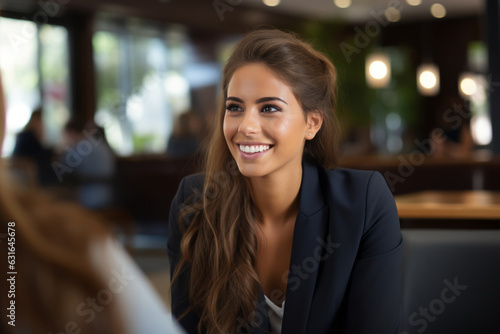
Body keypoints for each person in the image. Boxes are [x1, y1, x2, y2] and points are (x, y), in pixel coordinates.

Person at [167, 28, 403, 334]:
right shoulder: (195, 202)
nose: (247, 126)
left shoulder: (365, 203)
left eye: (269, 109)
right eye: (234, 107)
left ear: (312, 122)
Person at [0, 73, 185, 334]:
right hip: (106, 196)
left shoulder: (80, 150)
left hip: (90, 198)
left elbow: (57, 171)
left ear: (71, 132)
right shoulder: (98, 147)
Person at [12, 107, 57, 186]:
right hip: (28, 176)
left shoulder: (25, 135)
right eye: (41, 121)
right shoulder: (28, 136)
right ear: (35, 120)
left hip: (23, 176)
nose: (42, 124)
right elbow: (41, 155)